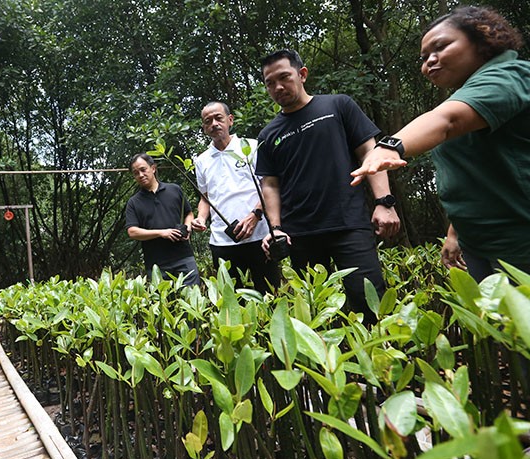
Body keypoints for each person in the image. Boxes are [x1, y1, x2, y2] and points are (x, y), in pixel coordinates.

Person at [351, 6, 529, 282]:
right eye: (423, 58)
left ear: (481, 39)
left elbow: (447, 120)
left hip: (519, 241)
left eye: (441, 47)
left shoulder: (508, 75)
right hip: (479, 243)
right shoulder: (467, 93)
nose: (429, 62)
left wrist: (389, 146)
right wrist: (455, 233)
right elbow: (474, 177)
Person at [256, 49, 401, 324]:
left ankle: (383, 352)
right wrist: (275, 229)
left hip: (349, 224)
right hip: (300, 235)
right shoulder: (268, 134)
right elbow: (271, 185)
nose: (278, 87)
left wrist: (384, 202)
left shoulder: (338, 106)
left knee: (370, 303)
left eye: (284, 77)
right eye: (270, 82)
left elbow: (370, 153)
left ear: (302, 74)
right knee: (316, 314)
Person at [191, 101, 280, 293]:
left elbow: (269, 186)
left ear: (230, 120)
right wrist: (201, 218)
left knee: (270, 295)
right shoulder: (202, 160)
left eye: (218, 118)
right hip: (222, 241)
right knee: (232, 301)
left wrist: (256, 215)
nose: (214, 124)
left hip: (260, 237)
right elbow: (205, 197)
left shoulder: (252, 147)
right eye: (208, 121)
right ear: (204, 128)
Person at [125, 153, 200, 286]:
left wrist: (187, 227)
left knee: (192, 296)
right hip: (156, 264)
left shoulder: (174, 190)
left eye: (143, 170)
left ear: (153, 168)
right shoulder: (134, 202)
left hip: (184, 257)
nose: (140, 175)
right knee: (163, 299)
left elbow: (188, 213)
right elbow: (132, 231)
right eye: (136, 173)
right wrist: (161, 233)